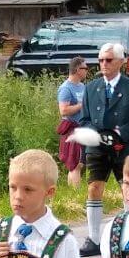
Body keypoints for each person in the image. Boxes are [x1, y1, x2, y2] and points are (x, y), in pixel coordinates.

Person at [77, 42, 129, 257]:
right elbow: (84, 119)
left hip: (124, 146)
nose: (104, 64)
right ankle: (94, 238)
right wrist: (97, 135)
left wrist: (120, 133)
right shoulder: (91, 87)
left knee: (128, 189)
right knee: (94, 187)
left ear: (120, 62)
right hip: (97, 146)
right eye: (100, 60)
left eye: (108, 60)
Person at [57, 56, 89, 187]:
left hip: (83, 128)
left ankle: (72, 192)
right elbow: (63, 110)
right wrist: (82, 105)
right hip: (72, 129)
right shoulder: (66, 88)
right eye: (85, 68)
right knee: (75, 164)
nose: (87, 70)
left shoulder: (82, 86)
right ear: (77, 69)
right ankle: (76, 194)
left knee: (79, 164)